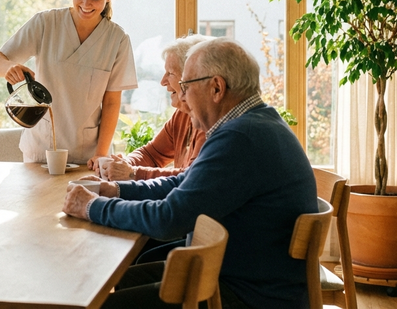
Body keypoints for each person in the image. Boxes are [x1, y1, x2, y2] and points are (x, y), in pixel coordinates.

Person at [63, 38, 317, 309]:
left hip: (248, 295)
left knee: (101, 302)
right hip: (242, 277)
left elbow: (169, 219)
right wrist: (116, 190)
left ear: (216, 88)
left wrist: (92, 206)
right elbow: (184, 182)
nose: (181, 97)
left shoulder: (240, 137)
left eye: (185, 87)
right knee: (124, 278)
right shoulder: (258, 122)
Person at [0, 0, 138, 167]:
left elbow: (112, 102)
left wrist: (101, 153)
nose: (85, 4)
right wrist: (8, 68)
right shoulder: (46, 23)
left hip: (88, 154)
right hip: (41, 147)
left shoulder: (117, 40)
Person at [100, 34, 212, 182]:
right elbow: (152, 153)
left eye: (170, 73)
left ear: (190, 76)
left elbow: (189, 178)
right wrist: (124, 164)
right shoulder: (181, 114)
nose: (162, 81)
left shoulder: (209, 122)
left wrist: (133, 173)